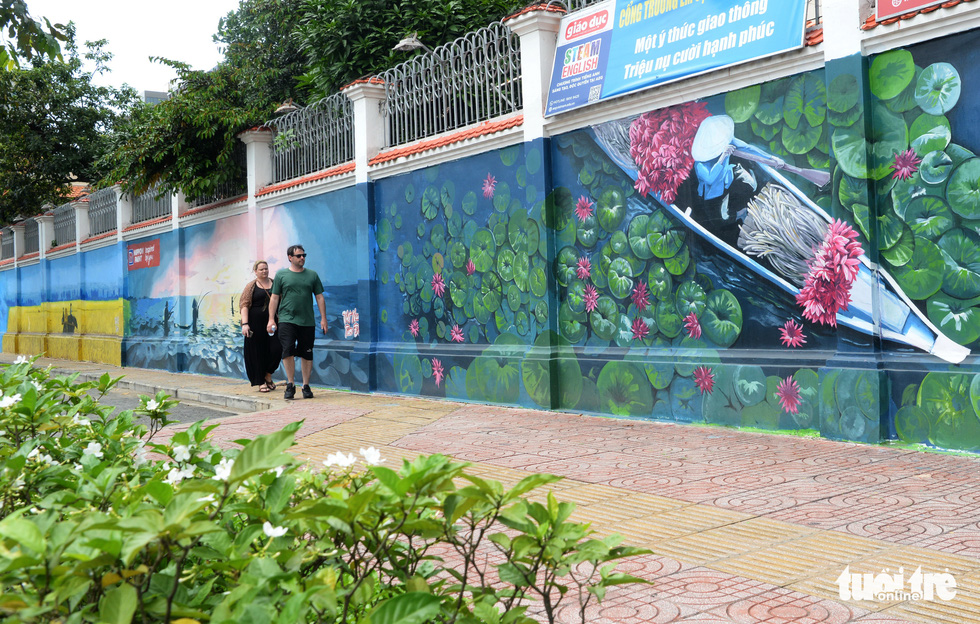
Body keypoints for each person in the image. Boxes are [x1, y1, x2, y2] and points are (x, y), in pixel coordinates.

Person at [267, 245, 328, 399]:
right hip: (287, 319)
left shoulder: (312, 275)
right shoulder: (281, 275)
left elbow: (319, 297)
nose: (302, 258)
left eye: (304, 255)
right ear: (290, 257)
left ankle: (306, 385)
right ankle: (290, 384)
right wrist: (271, 319)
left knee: (307, 353)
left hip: (307, 321)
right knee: (287, 350)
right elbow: (274, 298)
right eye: (299, 256)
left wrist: (324, 318)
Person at [240, 260, 282, 392]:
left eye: (266, 269)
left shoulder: (275, 283)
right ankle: (260, 381)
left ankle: (268, 374)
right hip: (255, 323)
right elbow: (244, 305)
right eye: (261, 269)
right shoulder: (251, 286)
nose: (264, 271)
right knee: (257, 352)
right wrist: (245, 324)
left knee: (277, 349)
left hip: (273, 323)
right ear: (255, 271)